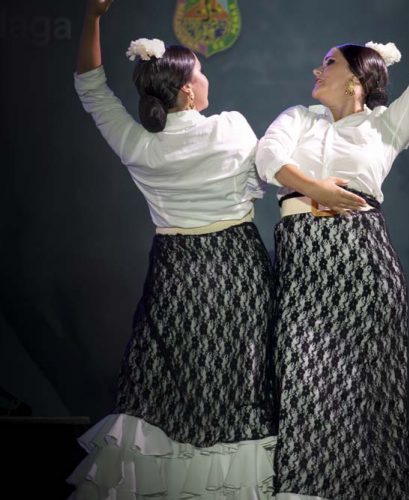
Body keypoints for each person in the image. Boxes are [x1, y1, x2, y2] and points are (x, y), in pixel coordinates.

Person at [67, 1, 276, 498]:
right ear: (187, 90)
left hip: (175, 273)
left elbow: (90, 87)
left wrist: (92, 18)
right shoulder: (229, 127)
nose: (206, 78)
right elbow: (265, 179)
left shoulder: (138, 145)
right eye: (200, 72)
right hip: (235, 268)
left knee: (164, 385)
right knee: (238, 384)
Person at [256, 0, 409, 498]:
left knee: (369, 393)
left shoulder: (387, 125)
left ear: (355, 79)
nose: (317, 70)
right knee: (304, 385)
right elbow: (267, 158)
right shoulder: (299, 116)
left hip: (363, 260)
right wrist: (316, 189)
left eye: (329, 62)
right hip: (304, 261)